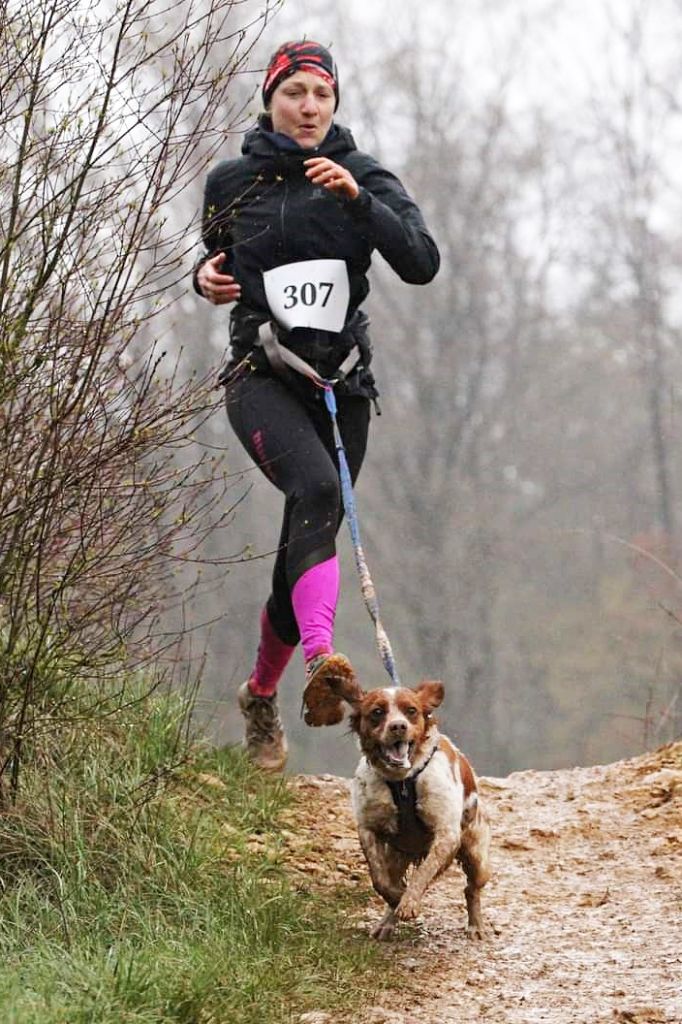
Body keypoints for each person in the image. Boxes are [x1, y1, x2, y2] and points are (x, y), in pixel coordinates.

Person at [194, 40, 440, 771]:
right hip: (260, 375)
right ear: (271, 97)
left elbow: (422, 263)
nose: (308, 107)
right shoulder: (232, 181)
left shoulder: (363, 175)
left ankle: (261, 694)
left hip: (343, 388)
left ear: (335, 104)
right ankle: (325, 664)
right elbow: (215, 261)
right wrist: (203, 281)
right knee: (316, 490)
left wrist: (359, 203)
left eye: (321, 95)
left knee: (306, 531)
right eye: (294, 91)